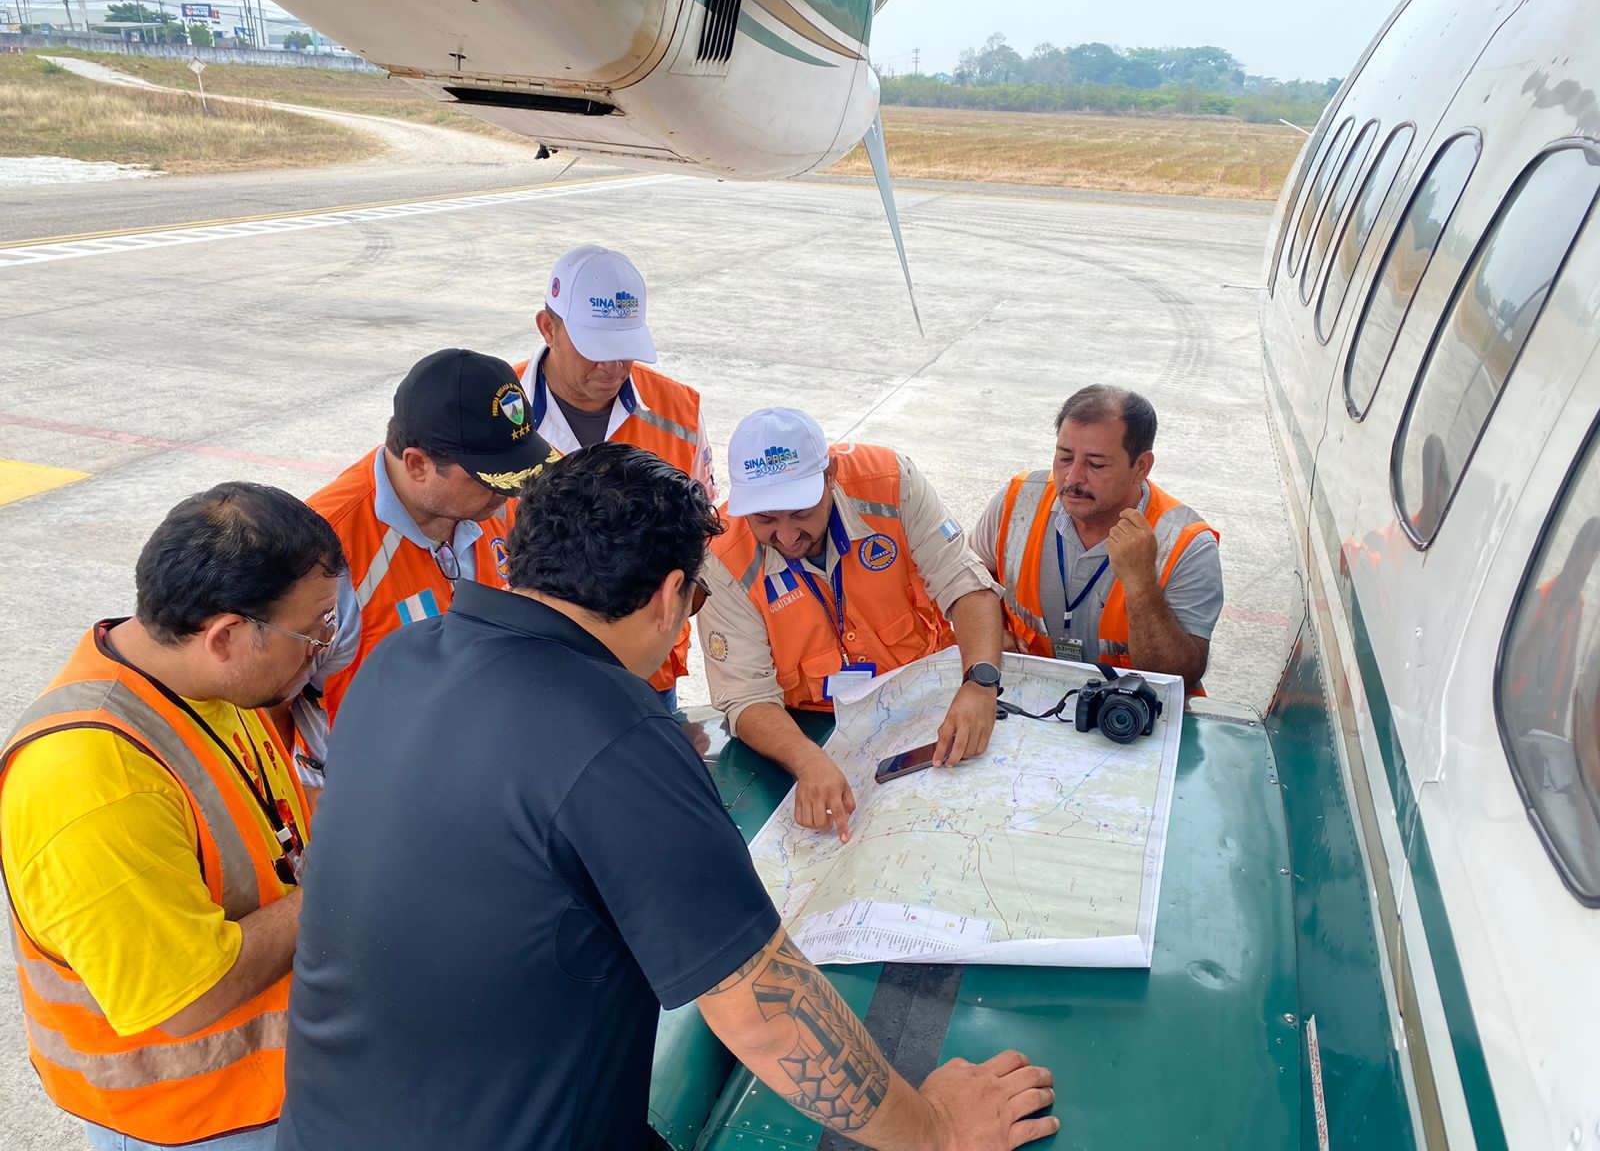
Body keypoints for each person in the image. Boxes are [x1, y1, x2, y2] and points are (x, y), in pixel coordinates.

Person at [276, 444, 1057, 1151]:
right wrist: (937, 1131)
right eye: (696, 602)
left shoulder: (398, 660)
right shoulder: (614, 740)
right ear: (669, 594)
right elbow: (759, 1010)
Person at [0, 483, 345, 1150]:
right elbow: (189, 999)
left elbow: (264, 823)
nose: (322, 648)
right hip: (194, 1123)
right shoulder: (92, 782)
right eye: (313, 629)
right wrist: (347, 881)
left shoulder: (207, 688)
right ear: (225, 635)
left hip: (271, 1094)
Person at [698, 408, 1005, 841]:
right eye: (765, 519)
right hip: (808, 725)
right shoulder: (721, 555)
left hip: (924, 705)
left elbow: (966, 584)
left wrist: (980, 682)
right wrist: (806, 760)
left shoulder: (891, 483)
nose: (786, 537)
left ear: (831, 476)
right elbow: (746, 697)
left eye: (800, 512)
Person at [286, 348, 555, 786]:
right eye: (490, 478)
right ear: (417, 464)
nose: (508, 495)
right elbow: (275, 707)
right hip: (372, 798)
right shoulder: (320, 552)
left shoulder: (496, 509)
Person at [512, 244, 715, 707]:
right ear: (549, 328)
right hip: (534, 672)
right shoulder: (499, 412)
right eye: (596, 349)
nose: (613, 368)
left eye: (624, 349)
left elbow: (702, 535)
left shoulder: (679, 411)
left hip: (647, 672)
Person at [972, 385, 1221, 693]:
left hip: (1133, 716)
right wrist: (990, 632)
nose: (1073, 478)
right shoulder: (1018, 501)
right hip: (1030, 700)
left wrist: (1141, 586)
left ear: (1141, 467)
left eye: (1096, 464)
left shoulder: (1186, 544)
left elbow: (1179, 677)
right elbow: (967, 577)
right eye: (1064, 457)